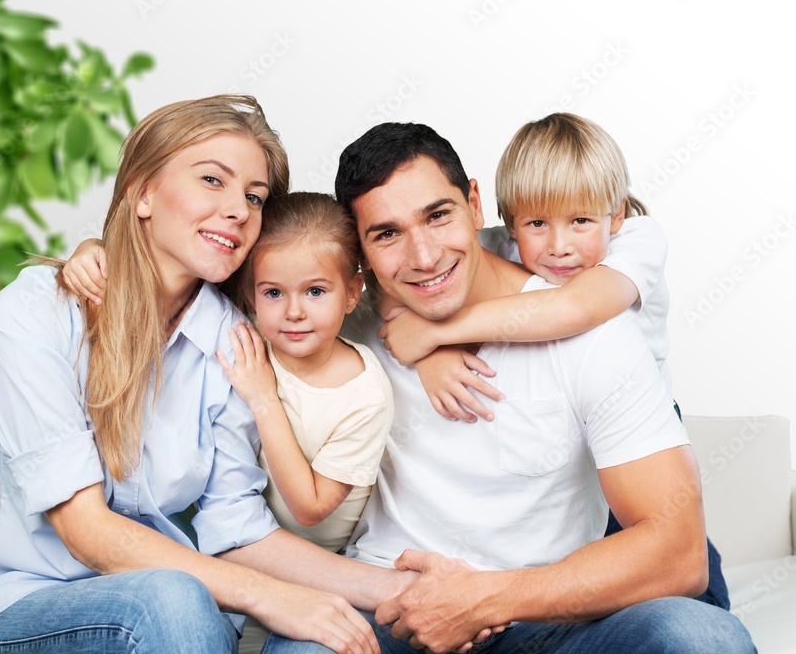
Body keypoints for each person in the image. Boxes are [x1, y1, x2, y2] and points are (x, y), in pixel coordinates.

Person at [264, 121, 754, 653]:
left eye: (438, 216)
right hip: (393, 611)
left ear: (475, 204)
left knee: (702, 637)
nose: (423, 256)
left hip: (544, 617)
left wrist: (484, 598)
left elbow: (678, 552)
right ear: (359, 252)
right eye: (387, 234)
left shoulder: (591, 328)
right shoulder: (332, 321)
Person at [0, 94, 411, 654]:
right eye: (212, 180)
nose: (239, 209)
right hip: (40, 610)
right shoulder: (32, 316)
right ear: (144, 191)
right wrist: (266, 596)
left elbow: (236, 527)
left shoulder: (234, 339)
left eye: (254, 197)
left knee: (325, 633)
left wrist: (399, 589)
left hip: (187, 619)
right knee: (171, 598)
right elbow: (86, 532)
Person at [376, 112, 729, 608]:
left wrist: (438, 333)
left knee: (682, 594)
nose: (559, 247)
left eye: (581, 221)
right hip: (573, 442)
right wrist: (431, 353)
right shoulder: (493, 244)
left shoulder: (638, 242)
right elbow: (401, 272)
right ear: (506, 219)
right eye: (537, 224)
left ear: (616, 215)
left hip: (637, 420)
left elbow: (573, 308)